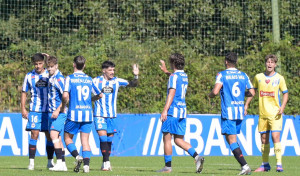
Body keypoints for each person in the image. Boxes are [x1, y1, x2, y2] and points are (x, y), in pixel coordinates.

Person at [208, 52, 254, 175]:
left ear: (226, 61)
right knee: (232, 140)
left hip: (228, 112)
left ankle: (245, 166)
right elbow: (252, 92)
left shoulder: (221, 74)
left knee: (232, 141)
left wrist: (210, 95)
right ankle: (243, 165)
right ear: (236, 62)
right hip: (239, 112)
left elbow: (216, 91)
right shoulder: (243, 75)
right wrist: (241, 95)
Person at [157, 53, 204, 173]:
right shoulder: (184, 76)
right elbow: (175, 79)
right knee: (178, 140)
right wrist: (166, 71)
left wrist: (165, 110)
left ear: (173, 63)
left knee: (167, 138)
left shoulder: (174, 77)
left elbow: (172, 92)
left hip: (173, 111)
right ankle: (197, 157)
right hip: (182, 112)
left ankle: (167, 167)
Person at [244, 54, 288, 172]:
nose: (269, 64)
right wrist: (246, 104)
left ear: (275, 64)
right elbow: (252, 92)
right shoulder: (258, 77)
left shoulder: (279, 78)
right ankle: (265, 164)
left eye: (272, 62)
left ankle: (279, 164)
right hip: (263, 114)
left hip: (275, 114)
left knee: (275, 137)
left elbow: (285, 93)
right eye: (268, 62)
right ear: (265, 63)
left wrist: (282, 106)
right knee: (264, 139)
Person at [93, 61, 139, 171]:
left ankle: (106, 162)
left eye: (113, 70)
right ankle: (106, 162)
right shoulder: (95, 81)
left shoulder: (117, 81)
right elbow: (88, 96)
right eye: (110, 70)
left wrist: (136, 75)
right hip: (99, 114)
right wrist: (95, 98)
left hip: (112, 116)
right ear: (104, 70)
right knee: (102, 138)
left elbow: (132, 84)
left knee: (109, 140)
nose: (112, 72)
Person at [60, 56, 102, 173]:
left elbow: (64, 96)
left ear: (74, 64)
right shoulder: (89, 79)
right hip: (88, 114)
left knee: (67, 139)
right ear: (84, 65)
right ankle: (87, 167)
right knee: (85, 141)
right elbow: (100, 95)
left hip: (74, 114)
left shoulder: (69, 78)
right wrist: (90, 99)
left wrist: (63, 106)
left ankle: (78, 157)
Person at [21, 53, 55, 170]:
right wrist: (23, 108)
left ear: (44, 63)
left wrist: (50, 57)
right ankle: (31, 163)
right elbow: (24, 92)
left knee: (49, 135)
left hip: (48, 110)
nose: (38, 66)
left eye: (40, 63)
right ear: (33, 64)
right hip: (35, 110)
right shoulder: (29, 76)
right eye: (36, 64)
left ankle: (50, 161)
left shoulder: (49, 74)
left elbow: (55, 68)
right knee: (34, 134)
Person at [45, 55, 68, 171]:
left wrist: (58, 109)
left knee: (53, 135)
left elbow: (66, 96)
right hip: (51, 113)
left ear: (56, 66)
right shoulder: (51, 77)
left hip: (59, 113)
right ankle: (63, 164)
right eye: (48, 67)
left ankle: (59, 163)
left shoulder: (59, 79)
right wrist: (49, 57)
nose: (49, 69)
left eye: (51, 67)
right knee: (57, 138)